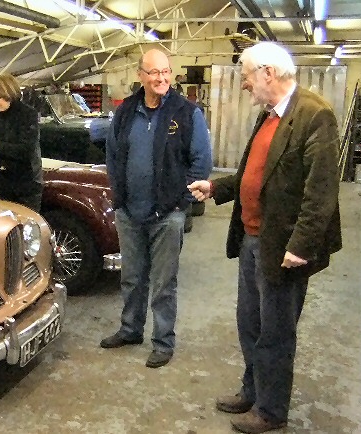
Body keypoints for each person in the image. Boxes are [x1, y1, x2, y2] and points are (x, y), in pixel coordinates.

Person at [188, 42, 342, 433]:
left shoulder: (314, 115)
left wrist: (301, 246)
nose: (245, 86)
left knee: (275, 331)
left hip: (283, 246)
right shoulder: (269, 116)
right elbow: (253, 176)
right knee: (250, 324)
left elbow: (321, 192)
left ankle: (272, 411)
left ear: (267, 73)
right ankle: (252, 390)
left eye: (246, 78)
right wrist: (217, 188)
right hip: (253, 239)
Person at [101, 49, 212, 368]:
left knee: (164, 283)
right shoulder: (124, 113)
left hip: (168, 215)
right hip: (130, 213)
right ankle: (130, 329)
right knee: (132, 278)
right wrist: (119, 192)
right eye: (154, 72)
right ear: (141, 75)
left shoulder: (187, 113)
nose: (161, 78)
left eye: (165, 72)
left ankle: (163, 341)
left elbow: (201, 162)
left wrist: (180, 202)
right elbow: (112, 155)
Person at [0, 74, 43, 211]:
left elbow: (26, 150)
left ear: (9, 94)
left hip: (25, 186)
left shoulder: (28, 115)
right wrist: (2, 164)